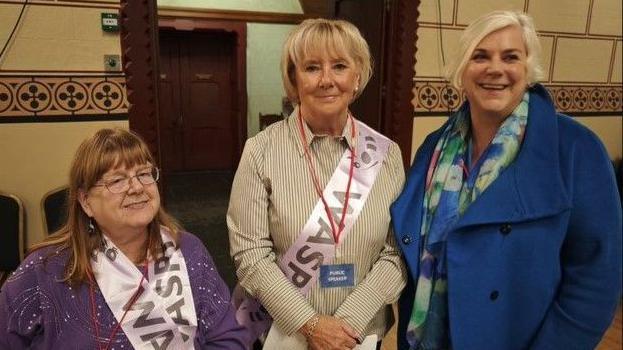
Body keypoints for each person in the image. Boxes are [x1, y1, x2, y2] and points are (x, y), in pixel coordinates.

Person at [391, 10, 622, 350]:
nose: (495, 69)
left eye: (510, 57)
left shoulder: (575, 149)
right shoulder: (434, 148)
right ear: (461, 72)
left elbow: (596, 275)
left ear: (528, 70)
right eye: (480, 56)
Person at [228, 18, 406, 350]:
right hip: (285, 336)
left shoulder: (386, 154)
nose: (326, 80)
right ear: (294, 80)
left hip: (361, 336)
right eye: (311, 68)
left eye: (339, 66)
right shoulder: (260, 151)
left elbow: (395, 252)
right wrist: (310, 324)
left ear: (357, 77)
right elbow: (250, 253)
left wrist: (346, 325)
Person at [0, 128, 247, 349]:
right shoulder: (46, 269)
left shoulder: (188, 250)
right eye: (117, 180)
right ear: (86, 201)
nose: (137, 187)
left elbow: (227, 338)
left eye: (143, 174)